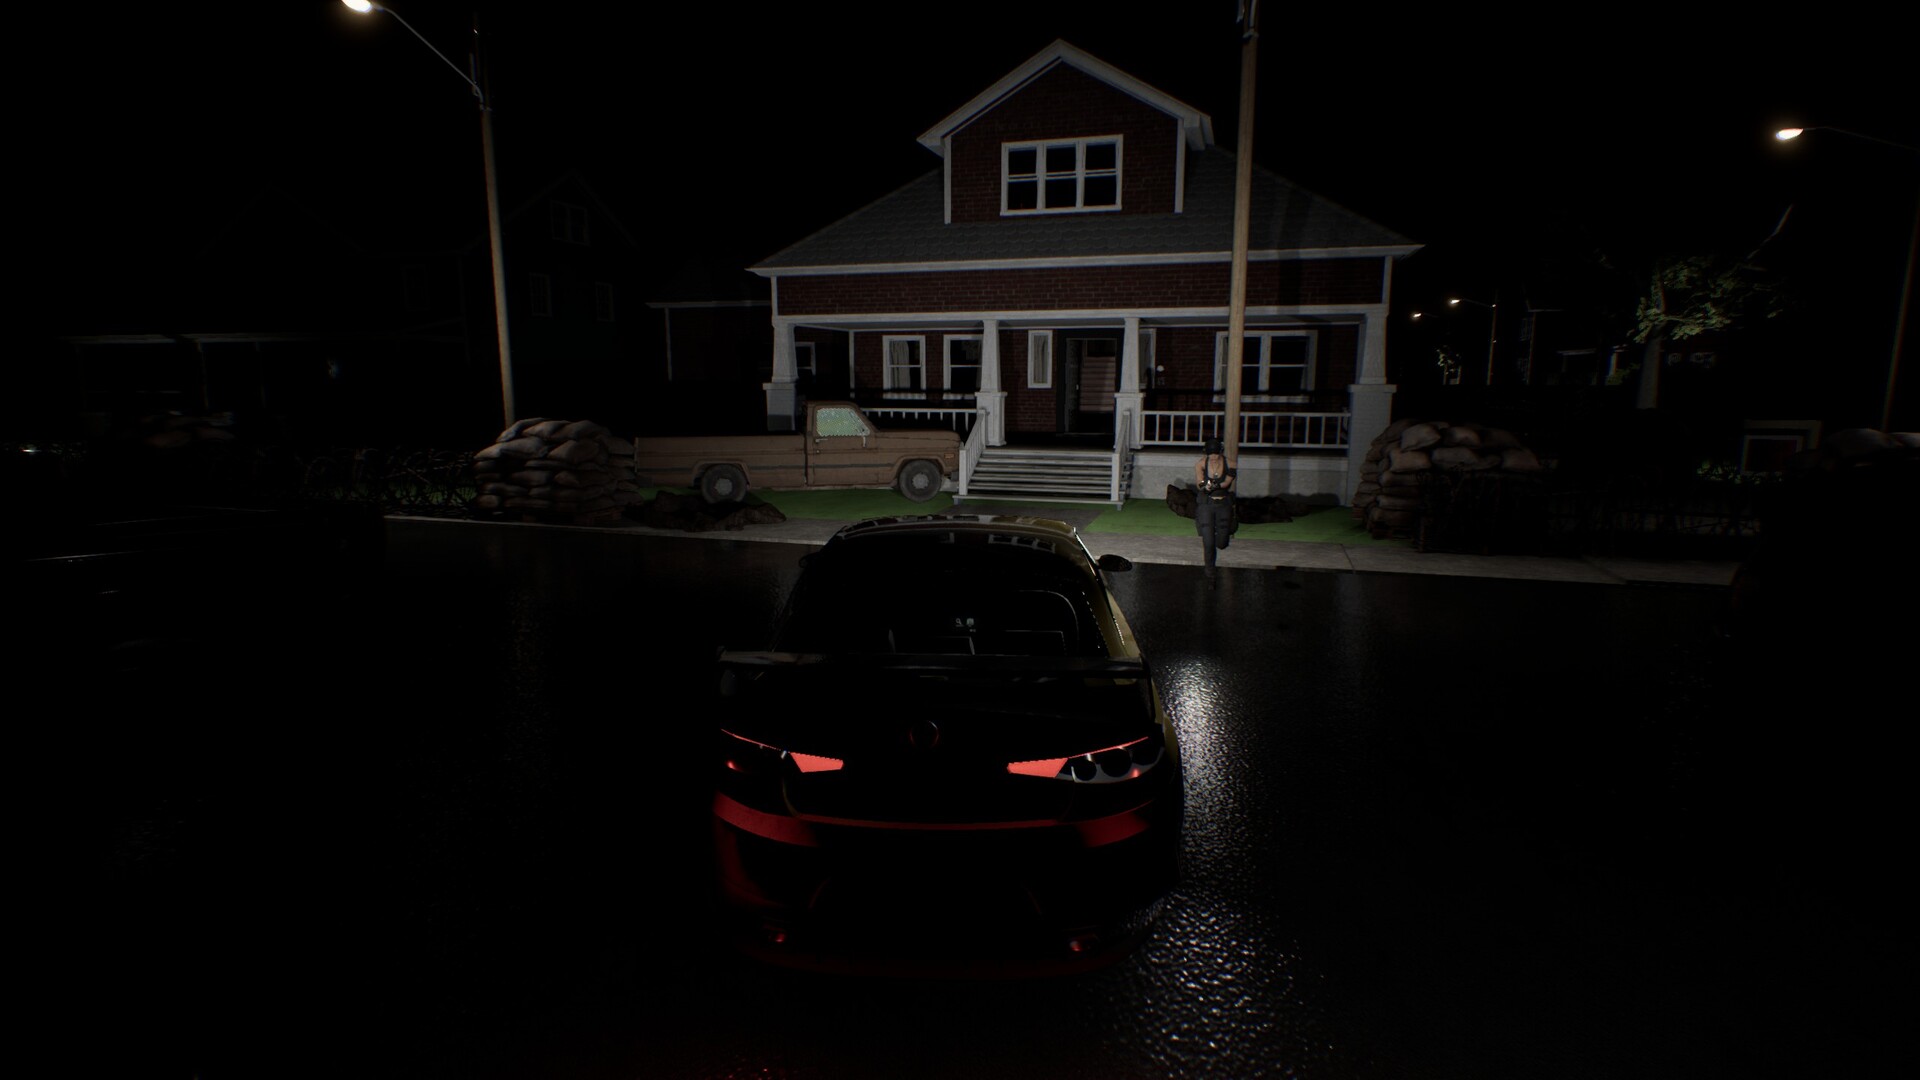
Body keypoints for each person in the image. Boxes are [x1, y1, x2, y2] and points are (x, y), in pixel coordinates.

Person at [1193, 436, 1237, 556]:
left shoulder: (1230, 463)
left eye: (1215, 455)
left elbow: (1227, 482)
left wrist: (1216, 485)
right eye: (1210, 455)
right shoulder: (1201, 463)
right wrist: (1205, 486)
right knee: (1208, 542)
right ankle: (1209, 567)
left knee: (1222, 542)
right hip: (1207, 504)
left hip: (1223, 504)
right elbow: (1199, 482)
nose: (1213, 458)